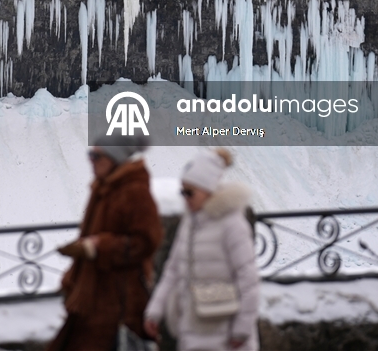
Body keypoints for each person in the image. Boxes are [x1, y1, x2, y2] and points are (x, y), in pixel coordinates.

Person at [46, 140, 163, 351]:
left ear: (114, 157)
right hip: (94, 295)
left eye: (97, 156)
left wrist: (100, 247)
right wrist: (73, 277)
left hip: (119, 301)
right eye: (90, 155)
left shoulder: (134, 190)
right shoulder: (103, 187)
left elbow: (146, 241)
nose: (91, 161)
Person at [143, 148, 260, 351]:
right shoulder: (190, 224)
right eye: (182, 192)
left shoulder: (232, 225)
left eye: (190, 192)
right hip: (193, 331)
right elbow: (173, 271)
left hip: (229, 336)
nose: (185, 198)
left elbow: (248, 280)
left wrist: (242, 329)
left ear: (208, 189)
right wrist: (154, 312)